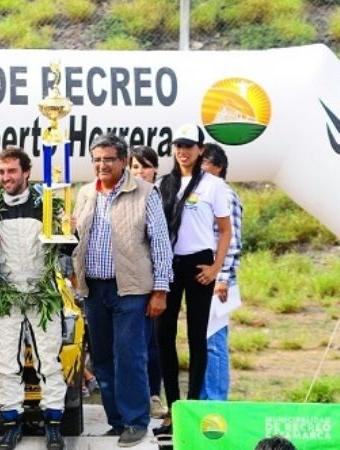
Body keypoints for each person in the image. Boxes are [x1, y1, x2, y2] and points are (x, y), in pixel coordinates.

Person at [72, 134, 173, 447]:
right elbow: (76, 237)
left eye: (109, 159)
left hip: (131, 289)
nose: (102, 165)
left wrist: (161, 289)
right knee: (101, 358)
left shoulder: (145, 193)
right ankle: (116, 421)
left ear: (123, 160)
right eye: (97, 159)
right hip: (94, 290)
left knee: (129, 356)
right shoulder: (86, 193)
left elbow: (160, 243)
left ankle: (135, 421)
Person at [0, 147, 67, 450]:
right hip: (6, 294)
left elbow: (64, 249)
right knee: (5, 363)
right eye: (1, 172)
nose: (6, 177)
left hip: (43, 294)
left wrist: (69, 230)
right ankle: (11, 423)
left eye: (12, 171)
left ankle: (53, 424)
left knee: (49, 362)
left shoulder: (47, 201)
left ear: (26, 172)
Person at [154, 124, 231, 438]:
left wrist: (215, 268)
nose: (183, 151)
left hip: (199, 264)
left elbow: (225, 231)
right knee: (164, 338)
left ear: (200, 149)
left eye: (189, 146)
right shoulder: (163, 184)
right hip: (168, 266)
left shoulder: (214, 185)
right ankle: (174, 409)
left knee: (197, 338)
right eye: (178, 146)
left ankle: (195, 407)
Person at [200, 143, 243, 401]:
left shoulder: (224, 195)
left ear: (218, 167)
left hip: (219, 281)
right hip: (204, 277)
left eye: (205, 164)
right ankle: (206, 399)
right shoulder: (205, 194)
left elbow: (232, 241)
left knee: (214, 342)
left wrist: (223, 279)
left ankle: (216, 402)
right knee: (204, 342)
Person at [129, 146, 167, 419]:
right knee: (132, 343)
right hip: (131, 281)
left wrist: (161, 284)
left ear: (155, 169)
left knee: (154, 341)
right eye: (135, 167)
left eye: (145, 166)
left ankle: (155, 395)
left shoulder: (163, 197)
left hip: (159, 280)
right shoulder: (126, 197)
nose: (140, 172)